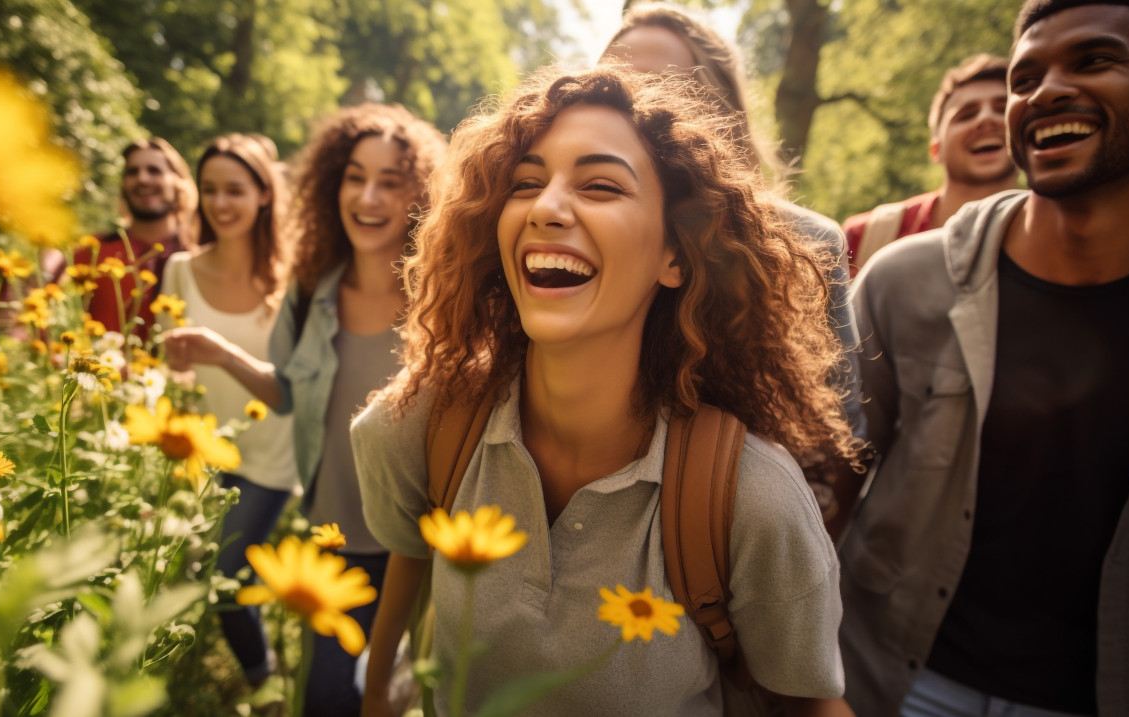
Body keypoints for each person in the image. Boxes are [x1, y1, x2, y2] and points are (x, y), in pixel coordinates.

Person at [353, 66, 860, 717]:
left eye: (599, 185)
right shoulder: (421, 421)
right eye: (526, 183)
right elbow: (404, 583)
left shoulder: (752, 497)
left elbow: (811, 706)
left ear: (675, 256)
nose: (545, 207)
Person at [840, 1, 1129, 715]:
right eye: (1027, 76)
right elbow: (814, 485)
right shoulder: (901, 279)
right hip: (892, 686)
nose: (1043, 92)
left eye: (1094, 60)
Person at [162, 105, 447, 716]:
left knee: (395, 699)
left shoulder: (445, 299)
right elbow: (288, 392)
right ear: (330, 185)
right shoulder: (310, 289)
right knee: (322, 698)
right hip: (333, 534)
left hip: (419, 551)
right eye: (354, 175)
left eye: (390, 181)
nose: (367, 197)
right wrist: (221, 353)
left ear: (420, 193)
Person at [602, 1, 867, 524]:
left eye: (660, 87)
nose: (634, 108)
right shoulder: (560, 226)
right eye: (612, 86)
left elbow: (841, 436)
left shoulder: (800, 244)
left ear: (721, 114)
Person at [157, 133, 297, 688]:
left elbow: (288, 394)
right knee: (192, 568)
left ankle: (265, 688)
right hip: (201, 449)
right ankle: (188, 676)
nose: (220, 203)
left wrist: (221, 352)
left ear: (264, 195)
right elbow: (174, 370)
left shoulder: (292, 281)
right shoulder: (180, 271)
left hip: (270, 455)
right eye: (209, 189)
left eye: (235, 190)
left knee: (228, 578)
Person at [841, 54, 1020, 275]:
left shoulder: (1060, 236)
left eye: (1002, 109)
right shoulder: (863, 237)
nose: (986, 119)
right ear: (935, 149)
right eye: (966, 115)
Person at [72, 137, 197, 335]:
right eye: (132, 172)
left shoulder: (199, 255)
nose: (143, 179)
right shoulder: (92, 252)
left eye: (154, 170)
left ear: (177, 182)